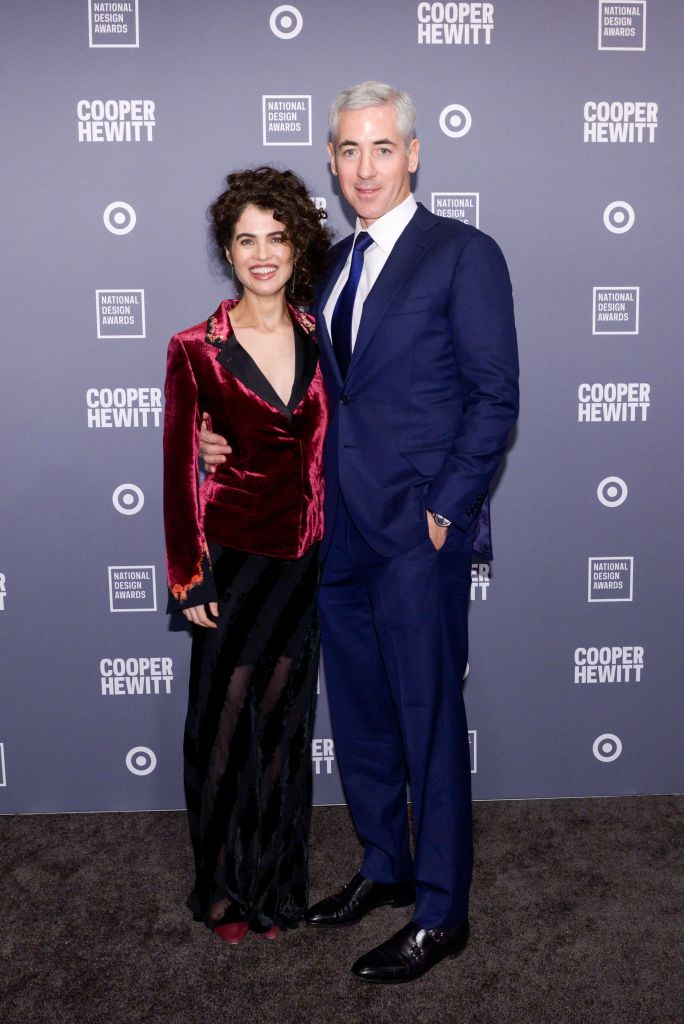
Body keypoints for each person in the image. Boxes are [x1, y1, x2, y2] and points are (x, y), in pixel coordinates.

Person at [200, 81, 519, 981]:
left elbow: (496, 398)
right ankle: (385, 867)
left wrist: (445, 510)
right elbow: (302, 394)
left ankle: (442, 910)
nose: (365, 166)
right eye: (348, 150)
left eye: (382, 148)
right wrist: (222, 434)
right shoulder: (330, 265)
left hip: (417, 537)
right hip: (333, 536)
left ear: (413, 154)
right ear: (332, 163)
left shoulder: (464, 254)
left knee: (427, 719)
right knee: (369, 720)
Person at [163, 166, 332, 945]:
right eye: (245, 239)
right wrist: (188, 573)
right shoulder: (196, 347)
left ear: (297, 244)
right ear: (227, 252)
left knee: (285, 726)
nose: (262, 253)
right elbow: (176, 467)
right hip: (231, 560)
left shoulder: (321, 334)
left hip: (304, 560)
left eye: (276, 236)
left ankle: (274, 889)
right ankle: (223, 891)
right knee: (223, 725)